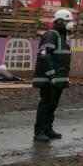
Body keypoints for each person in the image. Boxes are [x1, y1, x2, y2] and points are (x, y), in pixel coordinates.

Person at [32, 9, 74, 142]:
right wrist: (52, 76)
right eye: (67, 21)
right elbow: (45, 56)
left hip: (58, 80)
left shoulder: (63, 37)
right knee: (46, 105)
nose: (70, 24)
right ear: (59, 21)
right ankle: (39, 132)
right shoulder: (51, 35)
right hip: (49, 79)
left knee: (52, 106)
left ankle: (48, 129)